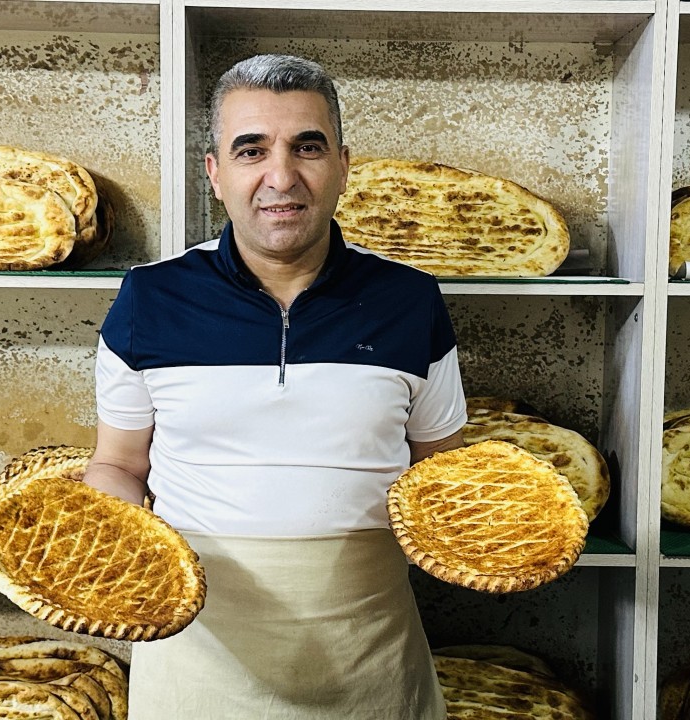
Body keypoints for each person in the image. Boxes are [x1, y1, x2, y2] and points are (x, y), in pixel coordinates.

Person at [85, 54, 467, 719]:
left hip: (372, 668)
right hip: (195, 668)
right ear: (216, 173)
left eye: (307, 148)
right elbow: (118, 463)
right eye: (251, 150)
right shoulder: (151, 299)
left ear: (343, 165)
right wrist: (102, 547)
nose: (281, 177)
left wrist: (482, 539)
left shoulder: (410, 302)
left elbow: (445, 474)